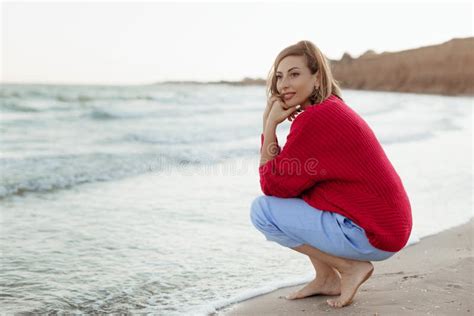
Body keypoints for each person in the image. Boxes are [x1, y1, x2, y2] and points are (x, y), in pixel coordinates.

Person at [250, 40, 413, 308]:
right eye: (279, 77)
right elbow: (287, 183)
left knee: (262, 211)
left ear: (317, 78)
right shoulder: (330, 108)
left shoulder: (314, 119)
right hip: (388, 229)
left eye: (294, 74)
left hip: (374, 234)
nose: (283, 85)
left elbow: (271, 185)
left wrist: (269, 126)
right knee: (299, 191)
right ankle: (326, 278)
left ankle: (348, 268)